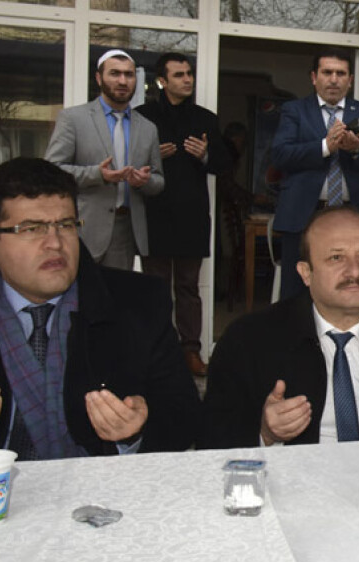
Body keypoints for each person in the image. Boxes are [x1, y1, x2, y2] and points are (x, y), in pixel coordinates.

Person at [0, 158, 199, 463]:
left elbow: (184, 418)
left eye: (66, 225)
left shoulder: (138, 302)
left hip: (100, 496)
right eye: (31, 228)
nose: (55, 243)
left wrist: (133, 435)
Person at [201, 207, 359, 447]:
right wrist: (266, 435)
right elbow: (212, 439)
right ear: (306, 273)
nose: (355, 271)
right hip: (290, 477)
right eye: (336, 257)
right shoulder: (248, 340)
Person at [272, 46, 359, 301]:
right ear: (314, 77)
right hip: (304, 214)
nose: (334, 79)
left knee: (351, 288)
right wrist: (326, 147)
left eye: (341, 73)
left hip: (354, 215)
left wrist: (357, 149)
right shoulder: (295, 110)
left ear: (350, 80)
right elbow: (280, 155)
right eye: (327, 72)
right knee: (296, 292)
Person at [134, 52, 226, 376]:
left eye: (189, 73)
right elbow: (127, 163)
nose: (187, 79)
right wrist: (150, 157)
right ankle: (157, 351)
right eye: (179, 75)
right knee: (155, 288)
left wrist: (205, 156)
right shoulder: (142, 117)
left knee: (188, 288)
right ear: (162, 80)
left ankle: (190, 352)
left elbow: (226, 165)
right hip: (154, 214)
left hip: (191, 215)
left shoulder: (205, 118)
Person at [45, 49, 164, 270]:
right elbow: (52, 171)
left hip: (124, 230)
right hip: (80, 227)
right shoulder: (73, 119)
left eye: (129, 75)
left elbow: (158, 180)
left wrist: (144, 181)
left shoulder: (147, 128)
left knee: (115, 299)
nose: (122, 81)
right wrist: (97, 175)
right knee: (78, 298)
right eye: (115, 73)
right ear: (99, 78)